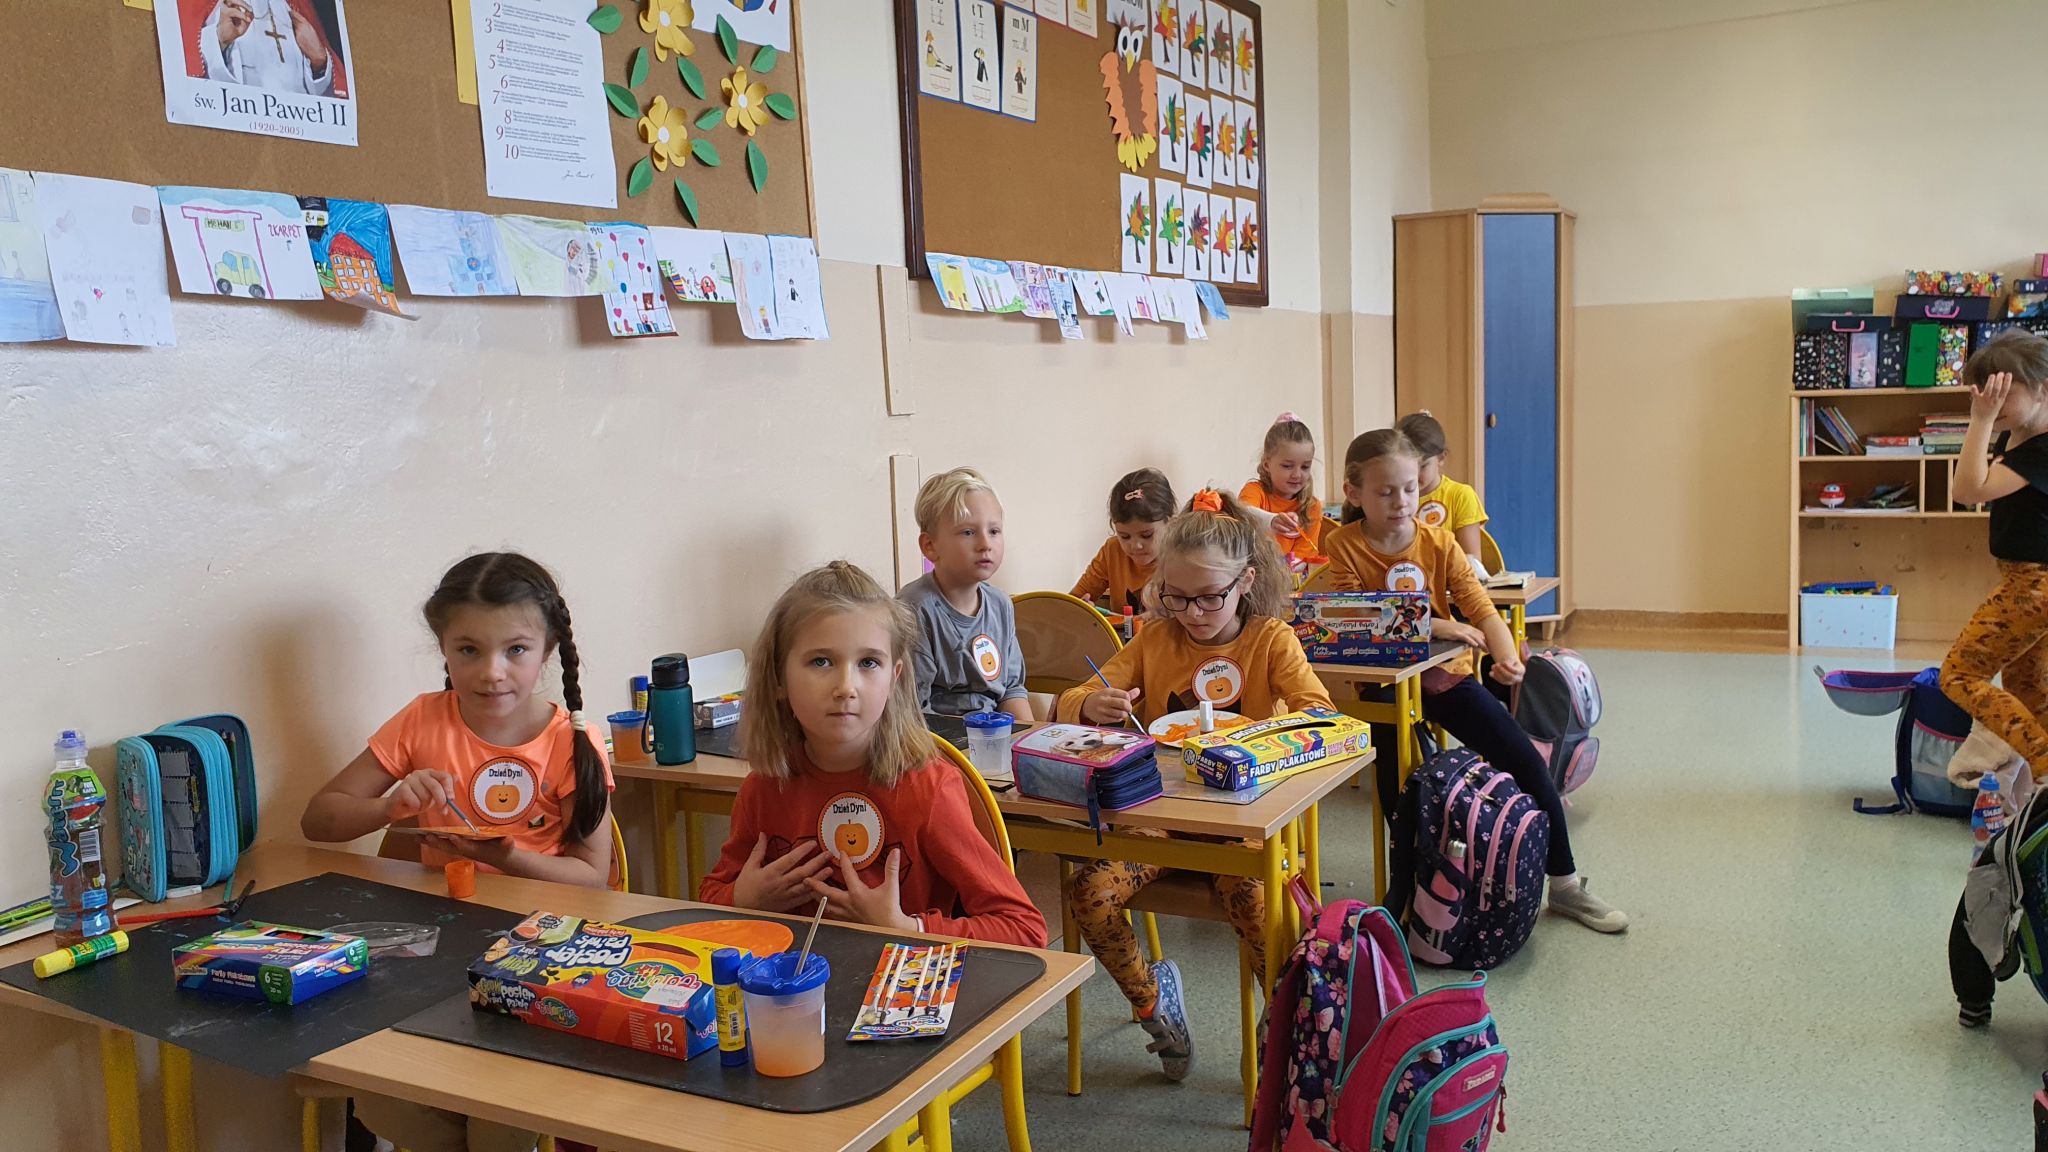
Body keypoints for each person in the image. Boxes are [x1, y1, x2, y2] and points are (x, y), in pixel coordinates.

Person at [300, 552, 612, 1152]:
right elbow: (318, 819)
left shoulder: (571, 741)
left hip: (542, 956)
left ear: (548, 649)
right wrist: (389, 806)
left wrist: (506, 856)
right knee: (383, 1091)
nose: (492, 673)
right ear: (443, 646)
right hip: (436, 948)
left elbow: (592, 879)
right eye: (469, 649)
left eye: (515, 650)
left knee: (501, 1108)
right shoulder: (422, 721)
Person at [1055, 490, 1331, 1081]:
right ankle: (1154, 1004)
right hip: (1161, 818)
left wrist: (1265, 736)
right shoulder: (1156, 639)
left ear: (1245, 581)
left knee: (1257, 901)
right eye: (1176, 597)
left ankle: (1283, 1019)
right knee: (1088, 893)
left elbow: (1322, 715)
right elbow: (1075, 697)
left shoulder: (1270, 640)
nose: (1193, 612)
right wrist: (1092, 704)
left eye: (1210, 596)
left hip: (1244, 823)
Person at [1324, 429, 1628, 935]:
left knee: (1525, 761)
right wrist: (1440, 626)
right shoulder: (1342, 545)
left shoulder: (1439, 541)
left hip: (1446, 678)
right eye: (1385, 492)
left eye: (1410, 489)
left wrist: (1508, 658)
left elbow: (1483, 610)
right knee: (1399, 791)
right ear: (1353, 492)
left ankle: (1566, 885)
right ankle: (1409, 892)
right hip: (1384, 688)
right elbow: (1358, 615)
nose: (1401, 502)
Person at [700, 562, 1046, 947]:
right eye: (821, 661)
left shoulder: (928, 790)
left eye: (868, 663)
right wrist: (744, 899)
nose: (846, 687)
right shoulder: (764, 788)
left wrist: (906, 928)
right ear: (779, 678)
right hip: (792, 981)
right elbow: (708, 902)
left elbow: (1024, 929)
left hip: (899, 981)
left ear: (894, 678)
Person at [1942, 332, 2048, 790]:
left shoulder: (2042, 449)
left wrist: (1980, 420)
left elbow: (1967, 491)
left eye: (2004, 389)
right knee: (2029, 690)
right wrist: (1990, 420)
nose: (1990, 400)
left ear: (2042, 387)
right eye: (1983, 391)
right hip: (2025, 580)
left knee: (1960, 675)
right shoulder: (2021, 435)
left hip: (2034, 585)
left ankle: (2044, 766)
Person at [900, 467, 1033, 721]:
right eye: (968, 532)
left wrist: (1029, 738)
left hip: (995, 733)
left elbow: (1011, 690)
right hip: (939, 736)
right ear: (930, 546)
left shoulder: (1001, 605)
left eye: (994, 531)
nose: (985, 544)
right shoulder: (914, 609)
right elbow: (911, 712)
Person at [1071, 467, 1177, 614]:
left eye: (1146, 535)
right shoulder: (1112, 550)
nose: (1135, 546)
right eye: (1124, 536)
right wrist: (1082, 607)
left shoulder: (1183, 557)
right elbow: (1072, 602)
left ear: (1170, 523)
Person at [1396, 411, 1490, 568]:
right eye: (1407, 466)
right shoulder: (1395, 498)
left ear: (1441, 458)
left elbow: (1472, 562)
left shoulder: (1460, 496)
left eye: (1423, 466)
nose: (1414, 474)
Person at [1238, 412, 1324, 568]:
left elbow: (1304, 558)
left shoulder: (1311, 507)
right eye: (1287, 466)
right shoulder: (1255, 491)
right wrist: (1271, 520)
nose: (1297, 474)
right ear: (1267, 464)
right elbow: (1242, 513)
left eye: (1305, 467)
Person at [199, 0, 338, 96]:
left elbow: (326, 96)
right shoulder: (224, 7)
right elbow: (199, 73)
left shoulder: (296, 7)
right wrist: (220, 40)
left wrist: (319, 62)